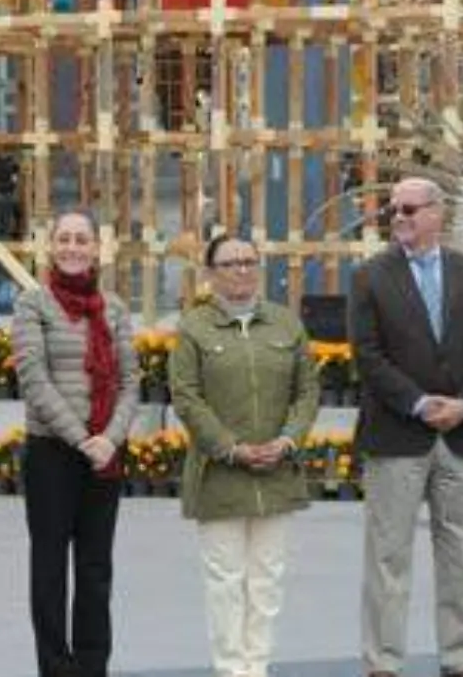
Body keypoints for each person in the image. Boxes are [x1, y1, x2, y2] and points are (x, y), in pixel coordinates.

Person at [348, 177, 463, 677]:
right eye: (393, 209)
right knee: (388, 556)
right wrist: (416, 403)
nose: (400, 217)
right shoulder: (371, 276)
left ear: (438, 213)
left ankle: (461, 659)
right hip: (397, 434)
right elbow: (367, 355)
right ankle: (384, 663)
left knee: (459, 551)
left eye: (410, 209)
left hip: (460, 434)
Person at [170, 233, 319, 677]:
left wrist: (288, 440)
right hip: (220, 476)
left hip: (277, 472)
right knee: (225, 582)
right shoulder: (193, 328)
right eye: (230, 263)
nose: (241, 271)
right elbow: (186, 396)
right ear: (211, 273)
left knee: (267, 580)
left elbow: (307, 390)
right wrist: (230, 448)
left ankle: (258, 666)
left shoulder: (286, 325)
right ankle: (232, 669)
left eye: (249, 262)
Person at [9, 209, 141, 677]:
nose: (71, 247)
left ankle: (92, 665)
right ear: (51, 247)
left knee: (95, 568)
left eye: (80, 239)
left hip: (105, 454)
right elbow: (34, 380)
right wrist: (84, 438)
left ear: (95, 248)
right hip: (52, 453)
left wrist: (110, 438)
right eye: (63, 238)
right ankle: (55, 666)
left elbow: (130, 382)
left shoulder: (116, 309)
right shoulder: (33, 304)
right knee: (49, 568)